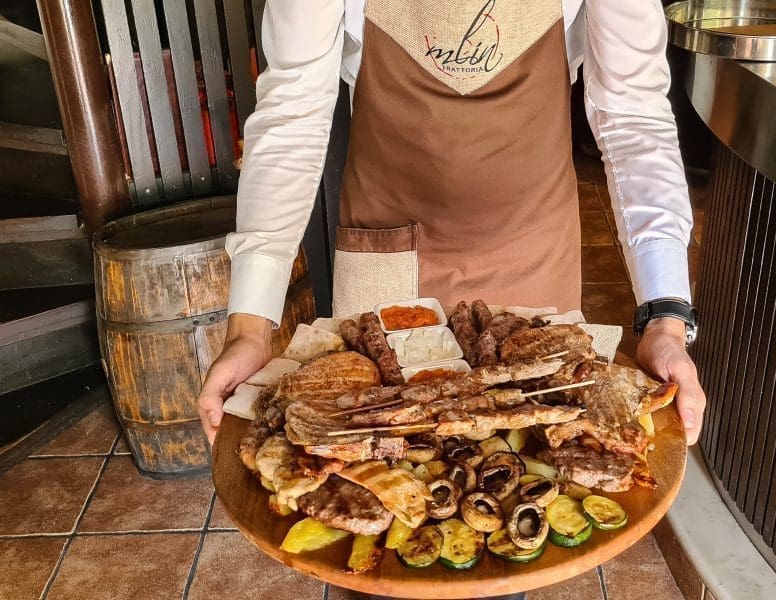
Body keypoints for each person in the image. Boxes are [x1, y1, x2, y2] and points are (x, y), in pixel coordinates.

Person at [198, 0, 707, 449]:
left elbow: (634, 116)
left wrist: (665, 318)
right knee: (384, 464)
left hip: (534, 252)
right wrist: (250, 327)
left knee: (536, 460)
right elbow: (291, 115)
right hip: (387, 252)